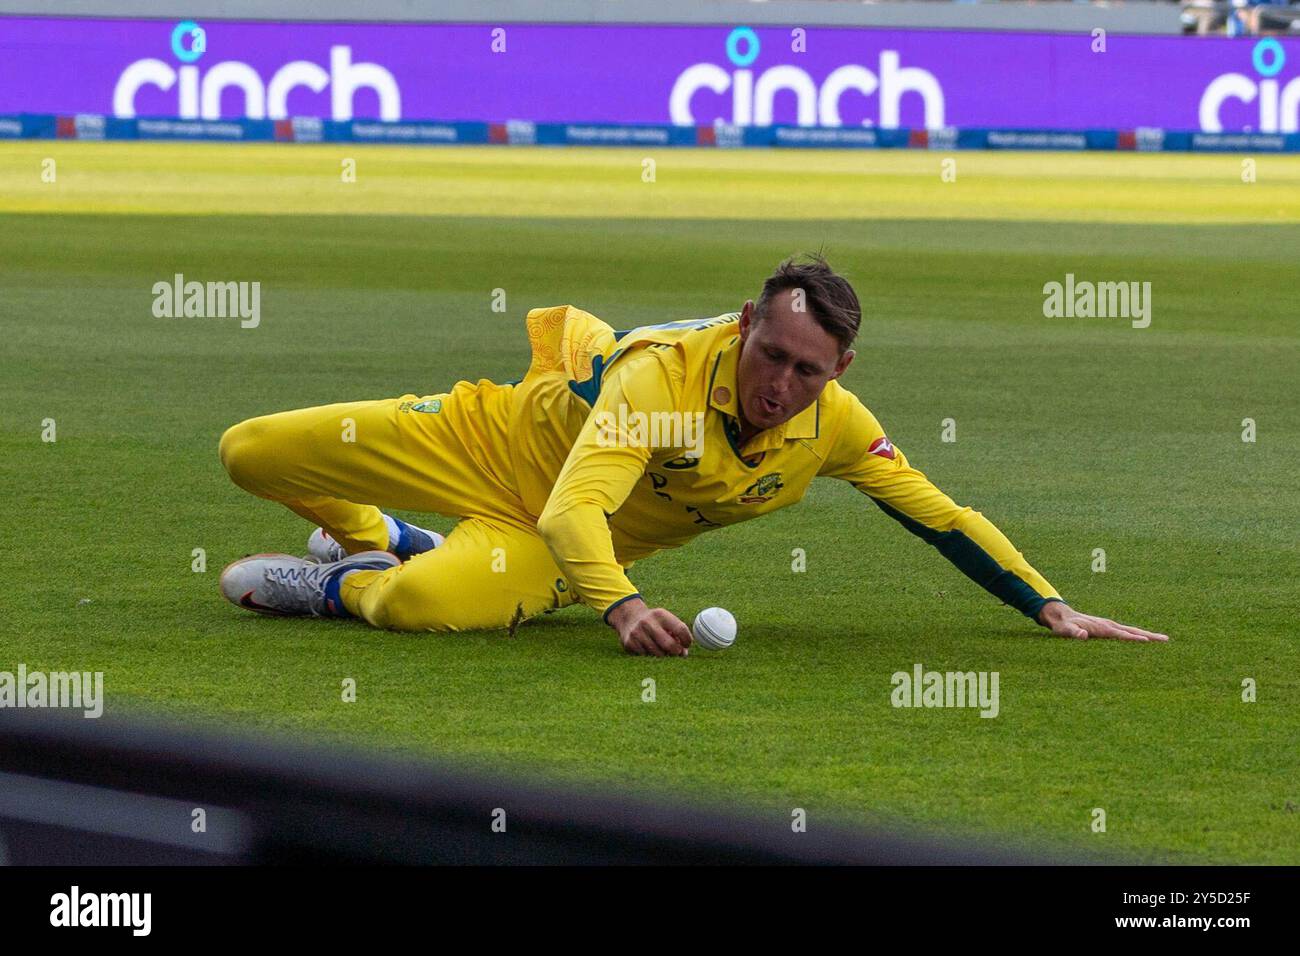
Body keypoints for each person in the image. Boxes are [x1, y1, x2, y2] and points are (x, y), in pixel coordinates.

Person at [217, 254, 1169, 655]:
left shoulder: (832, 425)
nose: (782, 385)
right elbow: (573, 502)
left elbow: (941, 517)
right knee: (251, 450)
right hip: (489, 442)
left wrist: (1047, 602)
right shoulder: (663, 386)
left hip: (555, 546)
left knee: (420, 607)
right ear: (747, 324)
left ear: (839, 368)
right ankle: (375, 530)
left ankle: (348, 584)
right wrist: (625, 609)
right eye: (772, 355)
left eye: (809, 372)